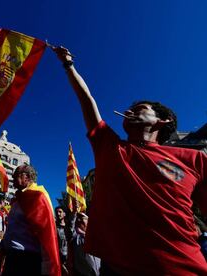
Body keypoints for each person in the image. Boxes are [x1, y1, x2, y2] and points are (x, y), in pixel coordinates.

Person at [54, 47, 207, 275]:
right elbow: (87, 101)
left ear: (162, 121)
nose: (129, 111)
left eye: (140, 109)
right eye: (130, 109)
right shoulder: (111, 148)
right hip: (118, 268)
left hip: (183, 267)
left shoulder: (195, 159)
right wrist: (68, 65)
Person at [0, 165, 61, 276]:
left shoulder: (38, 198)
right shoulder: (18, 199)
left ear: (26, 177)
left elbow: (46, 233)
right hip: (11, 255)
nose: (12, 179)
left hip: (26, 259)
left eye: (15, 176)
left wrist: (47, 266)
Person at [66, 203, 100, 276]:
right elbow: (70, 228)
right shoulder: (75, 236)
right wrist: (74, 212)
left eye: (82, 218)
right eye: (77, 218)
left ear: (88, 221)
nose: (78, 220)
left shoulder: (96, 234)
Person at [55, 206, 69, 275]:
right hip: (59, 261)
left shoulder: (69, 227)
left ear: (64, 214)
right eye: (57, 212)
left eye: (60, 212)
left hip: (71, 260)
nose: (58, 214)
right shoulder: (54, 228)